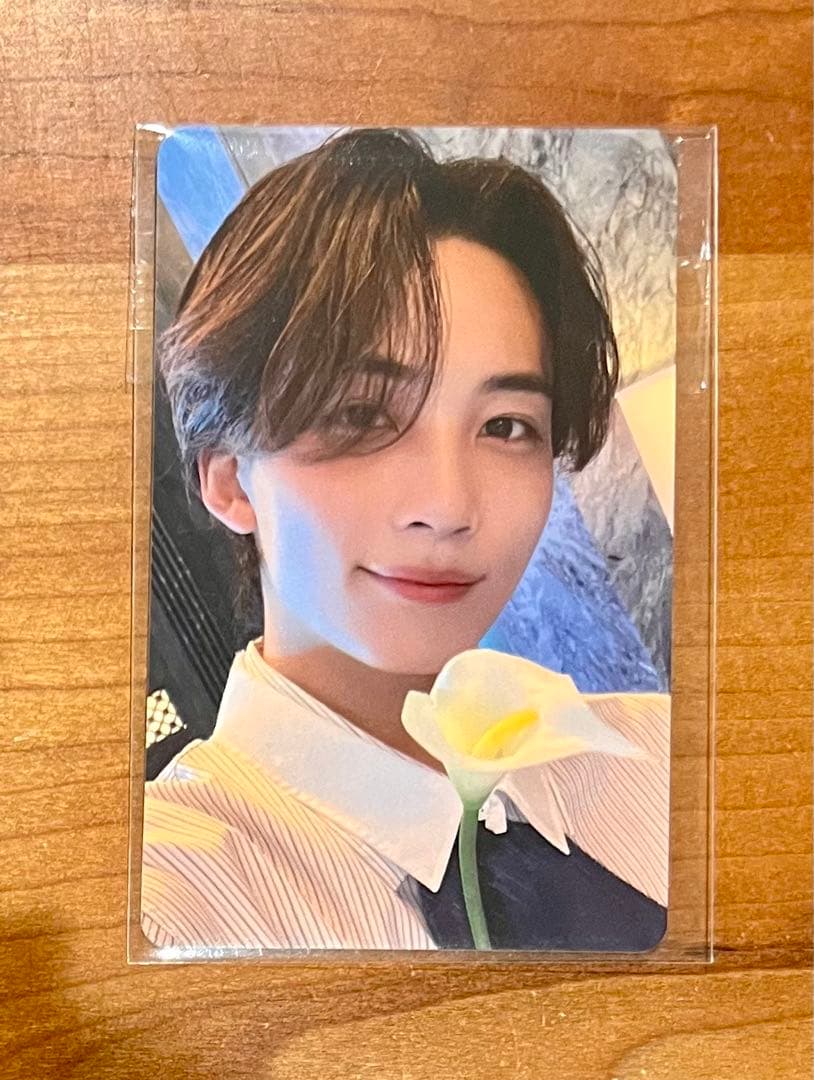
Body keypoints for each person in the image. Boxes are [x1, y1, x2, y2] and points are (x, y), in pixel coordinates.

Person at [141, 127, 669, 953]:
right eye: (361, 415)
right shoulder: (156, 901)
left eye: (505, 425)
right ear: (230, 478)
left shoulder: (670, 762)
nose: (448, 505)